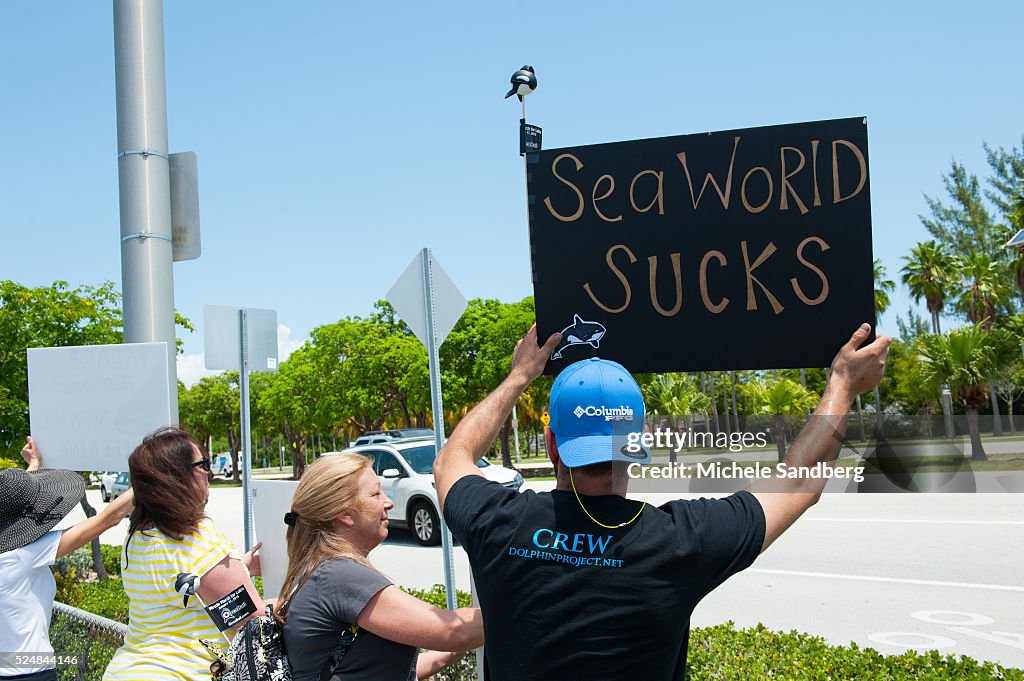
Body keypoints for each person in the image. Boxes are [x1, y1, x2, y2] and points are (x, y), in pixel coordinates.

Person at [434, 323, 890, 680]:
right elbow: (799, 484)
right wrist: (843, 384)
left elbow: (451, 460)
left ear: (552, 445)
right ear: (639, 442)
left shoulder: (496, 521)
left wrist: (518, 377)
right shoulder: (680, 541)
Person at [277, 453, 483, 680]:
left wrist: (450, 652)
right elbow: (454, 632)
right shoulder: (340, 576)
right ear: (344, 514)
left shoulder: (318, 569)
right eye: (376, 494)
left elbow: (370, 670)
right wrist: (524, 601)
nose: (388, 502)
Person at [103, 427, 265, 681]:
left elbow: (177, 589)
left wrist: (239, 568)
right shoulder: (196, 535)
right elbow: (251, 620)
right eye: (203, 464)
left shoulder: (137, 537)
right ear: (178, 477)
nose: (208, 472)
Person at [1, 437, 134, 681]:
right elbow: (106, 520)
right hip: (28, 671)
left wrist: (33, 468)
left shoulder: (10, 551)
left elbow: (13, 509)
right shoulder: (23, 555)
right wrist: (150, 479)